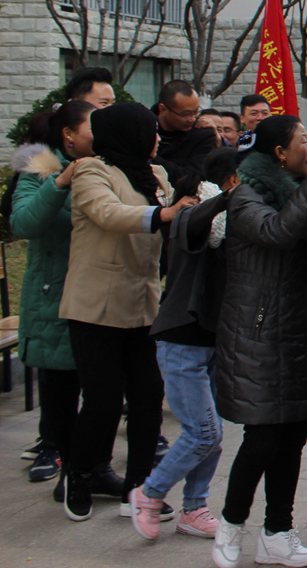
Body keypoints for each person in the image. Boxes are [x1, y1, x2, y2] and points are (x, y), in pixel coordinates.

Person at [209, 115, 307, 568]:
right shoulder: (246, 195)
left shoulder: (300, 190)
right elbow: (278, 232)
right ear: (279, 152)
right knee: (262, 437)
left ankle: (278, 532)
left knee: (294, 434)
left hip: (297, 328)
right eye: (302, 141)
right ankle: (230, 525)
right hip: (257, 333)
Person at [59, 102, 196, 521]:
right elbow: (109, 214)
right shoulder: (91, 171)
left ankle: (138, 488)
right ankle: (79, 476)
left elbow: (175, 221)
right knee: (102, 401)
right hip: (95, 306)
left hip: (142, 303)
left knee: (147, 397)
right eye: (149, 130)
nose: (156, 138)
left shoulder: (155, 175)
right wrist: (164, 213)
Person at [130, 149, 240, 541]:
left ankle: (194, 508)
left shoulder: (230, 224)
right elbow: (193, 226)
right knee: (203, 432)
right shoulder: (192, 214)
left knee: (213, 433)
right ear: (231, 181)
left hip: (213, 340)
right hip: (182, 340)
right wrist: (225, 199)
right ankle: (149, 493)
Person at [10, 102, 95, 483]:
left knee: (101, 391)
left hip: (98, 291)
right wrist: (60, 183)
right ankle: (58, 455)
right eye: (95, 119)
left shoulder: (111, 164)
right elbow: (23, 222)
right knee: (59, 386)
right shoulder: (41, 169)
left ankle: (90, 467)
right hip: (54, 293)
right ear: (68, 134)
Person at [154, 79, 217, 187]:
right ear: (163, 109)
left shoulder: (202, 133)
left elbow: (192, 177)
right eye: (186, 114)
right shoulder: (143, 127)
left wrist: (152, 160)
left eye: (196, 112)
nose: (192, 119)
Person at [235, 94, 272, 161]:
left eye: (265, 113)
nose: (260, 118)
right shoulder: (238, 143)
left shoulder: (279, 142)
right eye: (254, 114)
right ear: (242, 118)